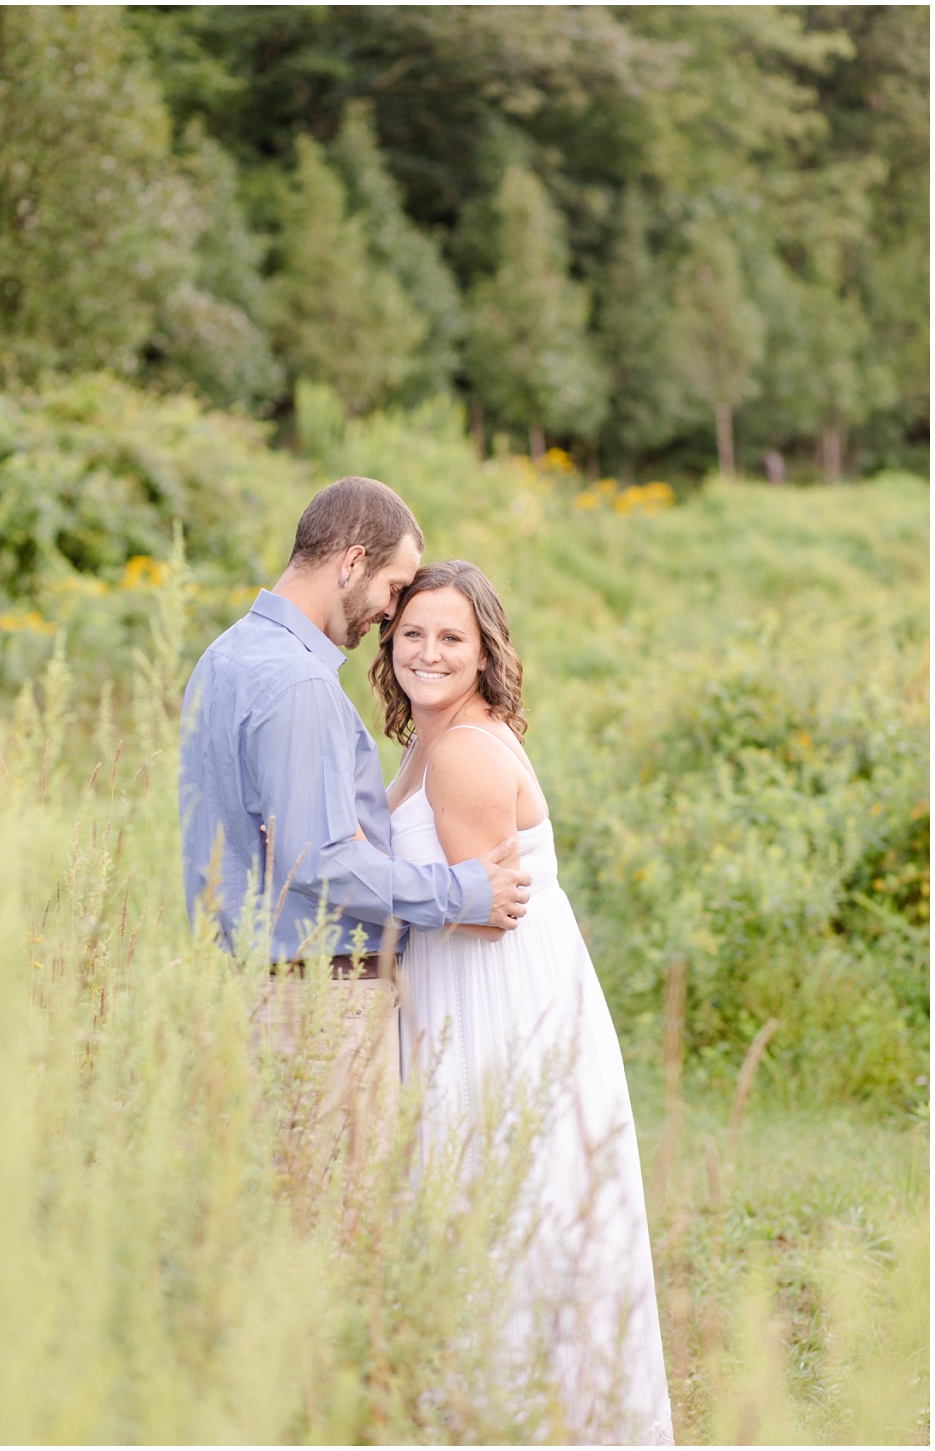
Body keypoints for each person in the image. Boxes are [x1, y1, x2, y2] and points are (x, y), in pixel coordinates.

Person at [372, 559, 672, 1444]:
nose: (426, 652)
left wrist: (350, 878)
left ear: (482, 651)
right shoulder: (440, 732)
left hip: (490, 1002)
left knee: (495, 1203)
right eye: (412, 633)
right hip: (500, 993)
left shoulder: (462, 748)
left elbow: (482, 912)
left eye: (450, 638)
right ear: (389, 640)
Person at [178, 475, 532, 1118]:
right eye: (395, 589)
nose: (388, 617)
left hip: (249, 985)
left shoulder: (223, 657)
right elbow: (317, 860)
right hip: (317, 998)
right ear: (351, 564)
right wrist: (464, 892)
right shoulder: (298, 684)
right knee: (338, 1208)